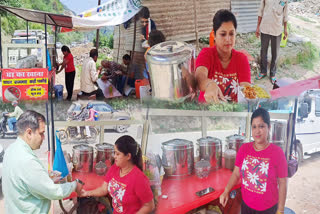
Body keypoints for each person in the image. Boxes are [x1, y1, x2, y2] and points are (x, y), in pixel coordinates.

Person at [2, 110, 83, 214]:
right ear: (29, 132)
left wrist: (48, 176)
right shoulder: (26, 160)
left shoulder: (12, 149)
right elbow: (53, 191)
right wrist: (75, 185)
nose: (44, 138)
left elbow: (28, 180)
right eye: (41, 133)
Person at [219, 108, 288, 214]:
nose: (257, 131)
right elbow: (236, 173)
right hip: (246, 206)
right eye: (254, 127)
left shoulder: (277, 152)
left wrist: (281, 210)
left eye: (261, 126)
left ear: (268, 127)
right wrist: (226, 191)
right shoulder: (244, 149)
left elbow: (283, 182)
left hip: (268, 209)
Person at [80, 135, 155, 214]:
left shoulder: (139, 179)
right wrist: (87, 193)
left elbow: (149, 205)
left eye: (118, 154)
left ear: (128, 156)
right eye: (114, 153)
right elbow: (104, 189)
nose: (114, 156)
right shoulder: (115, 168)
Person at [195, 9, 251, 103]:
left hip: (232, 112)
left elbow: (245, 87)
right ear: (214, 35)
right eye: (223, 34)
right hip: (207, 111)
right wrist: (209, 84)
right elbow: (199, 77)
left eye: (231, 34)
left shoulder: (241, 59)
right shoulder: (206, 54)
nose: (228, 39)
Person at [255, 0, 288, 84]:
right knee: (263, 51)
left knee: (275, 53)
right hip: (265, 28)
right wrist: (258, 27)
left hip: (277, 30)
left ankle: (272, 74)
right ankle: (263, 71)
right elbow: (260, 11)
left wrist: (285, 29)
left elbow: (285, 15)